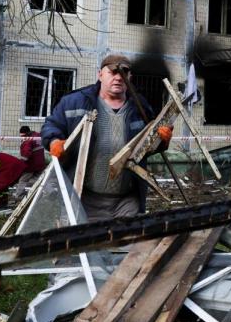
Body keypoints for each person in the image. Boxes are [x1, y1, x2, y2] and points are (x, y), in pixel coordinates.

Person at [41, 54, 173, 221]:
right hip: (85, 200)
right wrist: (54, 141)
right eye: (112, 72)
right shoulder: (74, 102)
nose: (118, 77)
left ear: (130, 77)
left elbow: (146, 148)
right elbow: (51, 126)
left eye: (124, 73)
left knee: (126, 245)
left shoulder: (140, 106)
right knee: (88, 245)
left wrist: (162, 141)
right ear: (100, 75)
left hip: (127, 202)